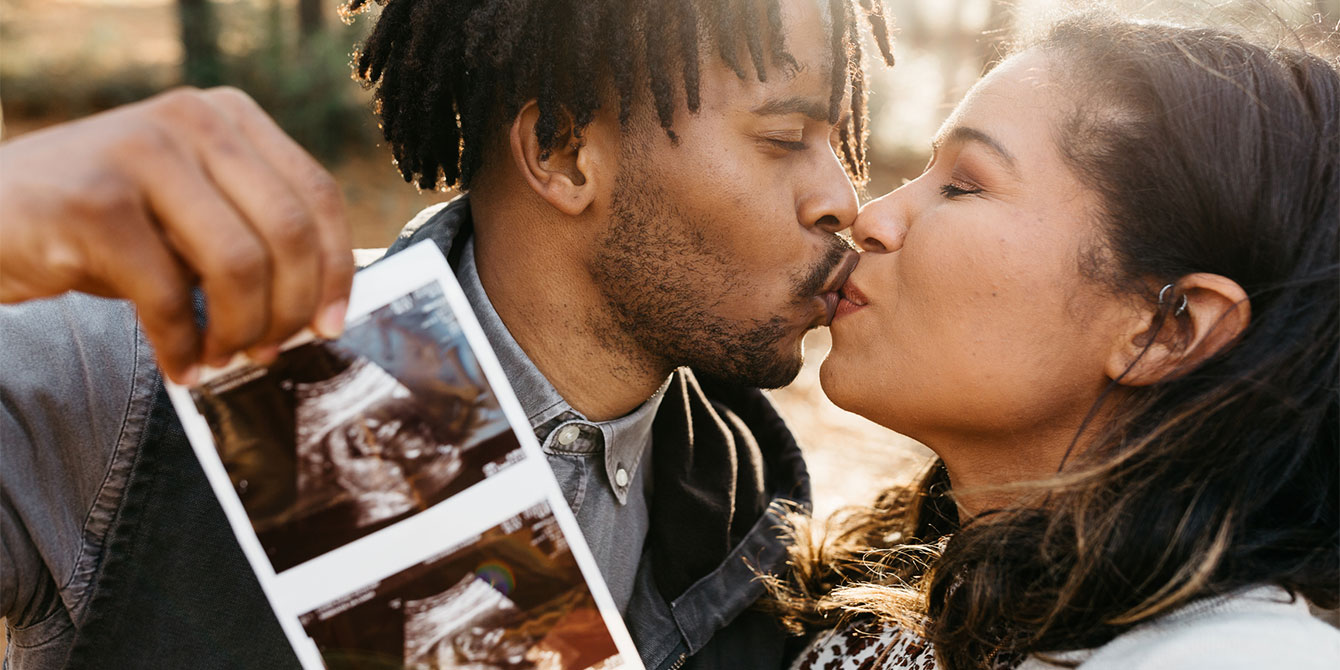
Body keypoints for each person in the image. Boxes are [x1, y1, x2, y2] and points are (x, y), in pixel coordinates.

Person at [0, 1, 894, 668]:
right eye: (785, 137)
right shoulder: (210, 365)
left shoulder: (751, 516)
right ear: (561, 152)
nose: (842, 200)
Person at [767, 13, 1340, 670]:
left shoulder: (1237, 658)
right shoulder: (900, 598)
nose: (872, 218)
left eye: (963, 185)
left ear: (1164, 329)